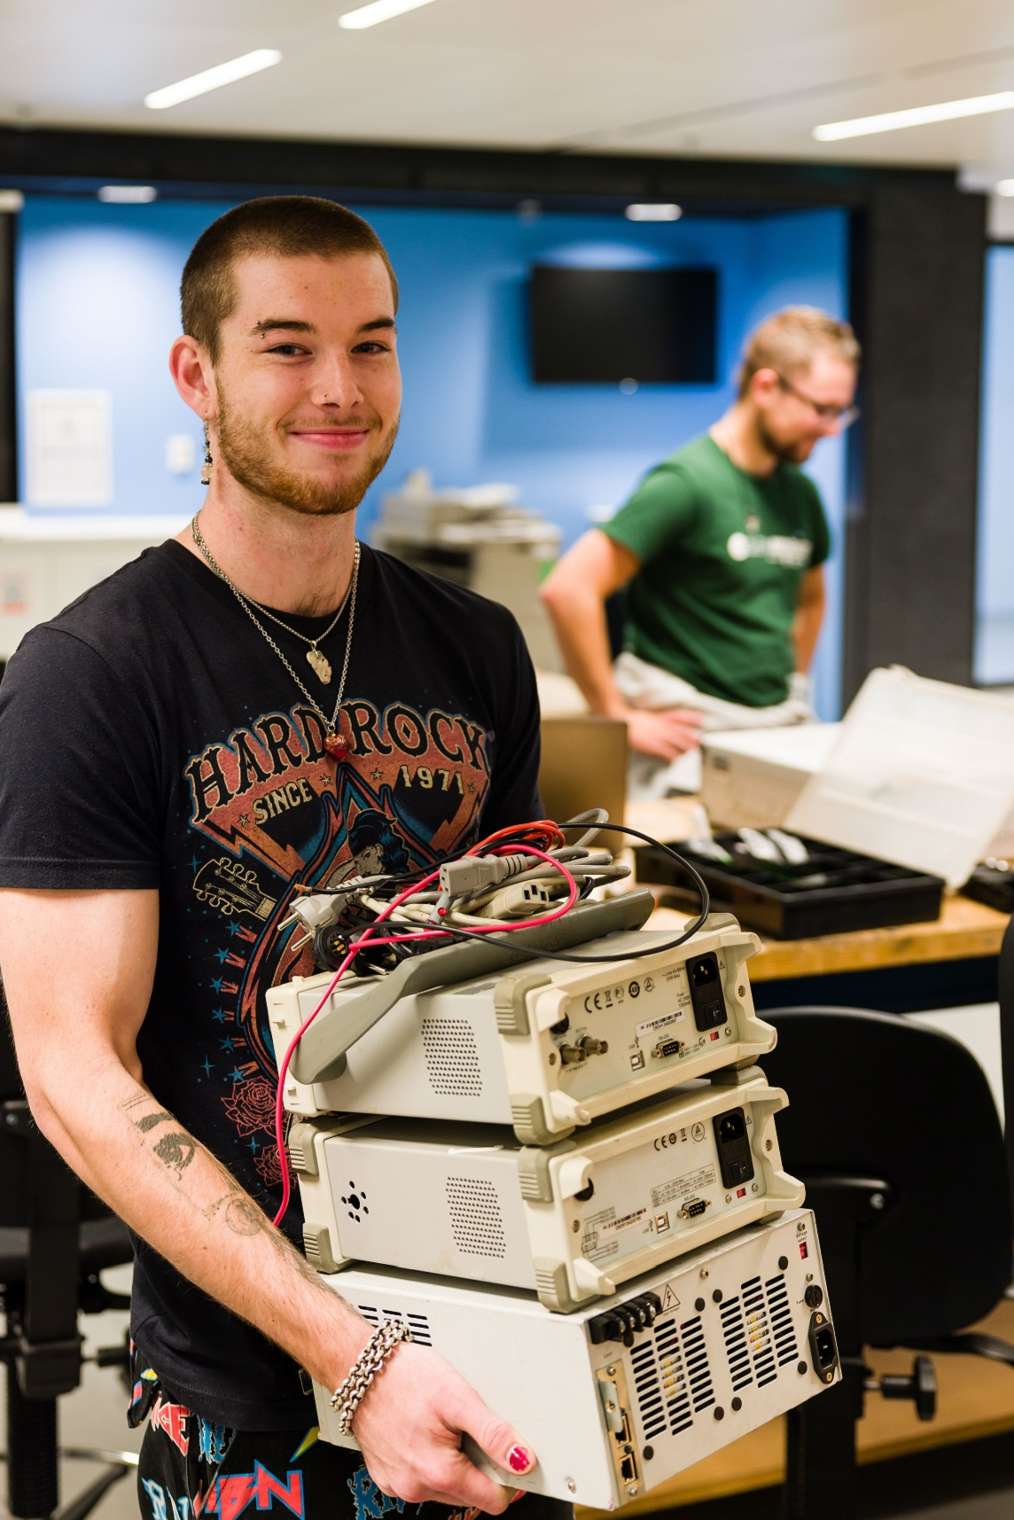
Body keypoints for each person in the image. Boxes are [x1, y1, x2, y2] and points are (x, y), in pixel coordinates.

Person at [0, 197, 557, 1520]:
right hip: (251, 1386)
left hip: (491, 1343)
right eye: (288, 346)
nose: (339, 389)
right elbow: (73, 1068)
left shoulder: (476, 647)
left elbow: (507, 966)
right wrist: (352, 1359)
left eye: (372, 345)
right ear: (196, 373)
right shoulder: (90, 675)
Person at [540, 306, 860, 797]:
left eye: (842, 412)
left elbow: (810, 597)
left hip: (776, 724)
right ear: (766, 386)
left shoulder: (799, 493)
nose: (833, 429)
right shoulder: (686, 483)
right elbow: (568, 590)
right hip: (690, 732)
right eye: (823, 409)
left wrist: (796, 682)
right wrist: (613, 712)